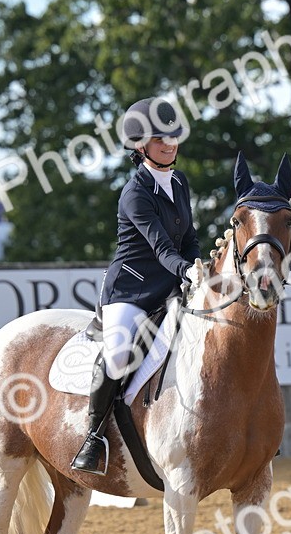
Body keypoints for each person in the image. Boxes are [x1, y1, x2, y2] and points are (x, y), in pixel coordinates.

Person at [71, 97, 203, 475]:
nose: (170, 143)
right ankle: (93, 437)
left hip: (171, 285)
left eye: (174, 136)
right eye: (160, 138)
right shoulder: (135, 192)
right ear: (140, 146)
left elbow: (187, 237)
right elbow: (160, 245)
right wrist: (183, 269)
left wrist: (196, 264)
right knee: (118, 356)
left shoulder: (179, 182)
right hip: (132, 291)